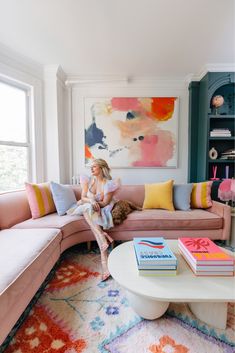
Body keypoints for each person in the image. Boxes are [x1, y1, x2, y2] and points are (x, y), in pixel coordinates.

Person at [67, 159, 120, 281]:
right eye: (91, 167)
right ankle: (102, 238)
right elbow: (83, 197)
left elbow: (106, 202)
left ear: (101, 168)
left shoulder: (109, 184)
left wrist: (95, 204)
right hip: (88, 206)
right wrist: (91, 201)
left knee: (89, 212)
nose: (91, 169)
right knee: (87, 208)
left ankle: (105, 263)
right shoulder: (88, 181)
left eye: (94, 167)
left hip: (101, 208)